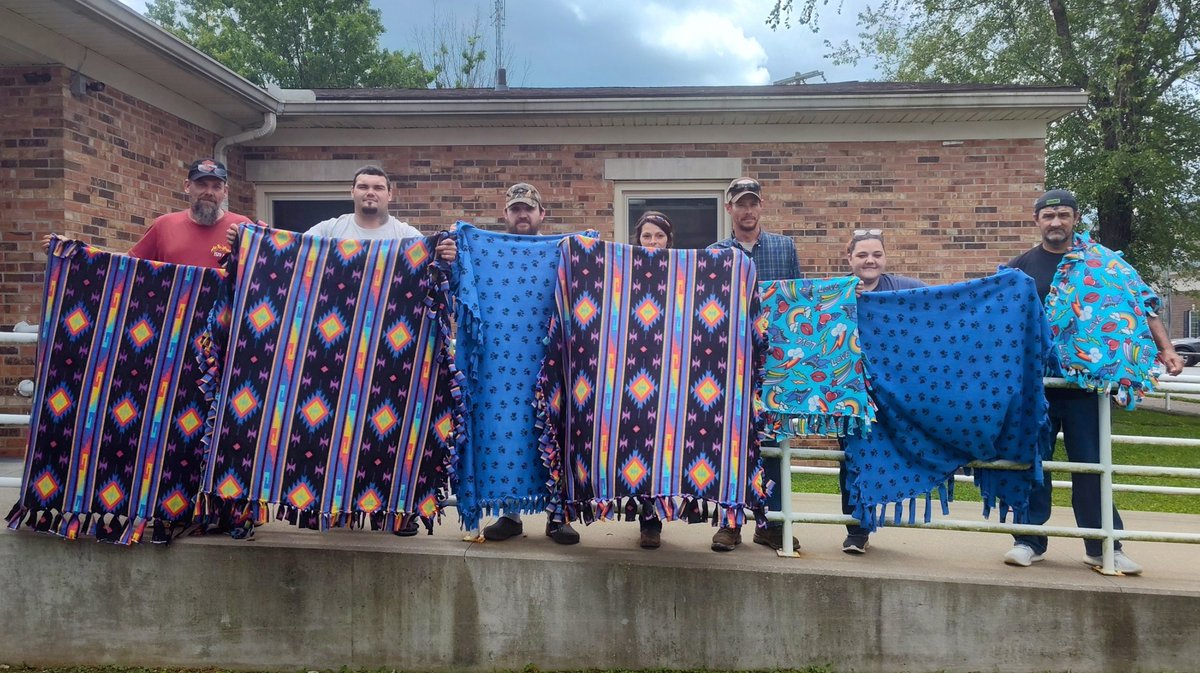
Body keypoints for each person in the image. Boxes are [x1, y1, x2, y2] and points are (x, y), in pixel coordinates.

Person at [1002, 189, 1184, 575]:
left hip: (1088, 384)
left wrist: (1166, 349)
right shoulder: (1018, 269)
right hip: (1038, 386)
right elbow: (995, 317)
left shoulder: (1103, 264)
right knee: (1035, 463)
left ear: (1075, 218)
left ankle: (1105, 546)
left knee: (1092, 464)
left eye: (1063, 215)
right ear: (1037, 220)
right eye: (1048, 215)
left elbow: (1144, 303)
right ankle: (1027, 540)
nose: (1055, 222)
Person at [476, 182, 581, 546]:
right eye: (516, 209)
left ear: (541, 215)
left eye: (529, 209)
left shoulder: (562, 252)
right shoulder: (488, 251)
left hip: (551, 356)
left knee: (555, 432)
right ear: (505, 214)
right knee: (508, 431)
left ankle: (557, 517)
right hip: (503, 361)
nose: (523, 215)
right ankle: (510, 515)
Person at [707, 177, 802, 553]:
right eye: (740, 204)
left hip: (775, 365)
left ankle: (772, 523)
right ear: (729, 209)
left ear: (761, 206)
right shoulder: (716, 252)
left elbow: (798, 303)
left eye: (753, 203)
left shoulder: (784, 248)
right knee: (728, 444)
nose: (747, 210)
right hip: (730, 365)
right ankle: (729, 524)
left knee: (774, 446)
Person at [839, 229, 926, 554]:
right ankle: (857, 531)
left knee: (897, 453)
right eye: (862, 255)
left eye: (876, 254)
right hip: (853, 394)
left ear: (885, 258)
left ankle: (888, 509)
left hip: (896, 395)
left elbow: (939, 306)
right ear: (850, 260)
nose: (869, 260)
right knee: (852, 461)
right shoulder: (840, 292)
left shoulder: (905, 289)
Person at [224, 165, 455, 263]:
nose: (370, 193)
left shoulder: (405, 234)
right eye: (363, 187)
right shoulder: (330, 230)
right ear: (352, 192)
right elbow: (292, 250)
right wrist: (250, 241)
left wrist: (446, 251)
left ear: (390, 195)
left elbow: (432, 259)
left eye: (378, 188)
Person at [43, 158, 252, 267]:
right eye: (202, 185)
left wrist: (247, 246)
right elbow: (126, 263)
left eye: (216, 186)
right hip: (174, 328)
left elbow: (271, 268)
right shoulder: (164, 225)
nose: (209, 192)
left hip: (224, 334)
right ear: (187, 186)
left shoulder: (243, 228)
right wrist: (71, 251)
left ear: (225, 192)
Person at [624, 210, 676, 549]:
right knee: (637, 445)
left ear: (669, 240)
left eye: (658, 236)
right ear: (637, 240)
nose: (653, 242)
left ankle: (656, 517)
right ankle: (645, 516)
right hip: (632, 372)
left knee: (665, 446)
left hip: (671, 371)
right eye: (646, 236)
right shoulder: (624, 274)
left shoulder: (683, 274)